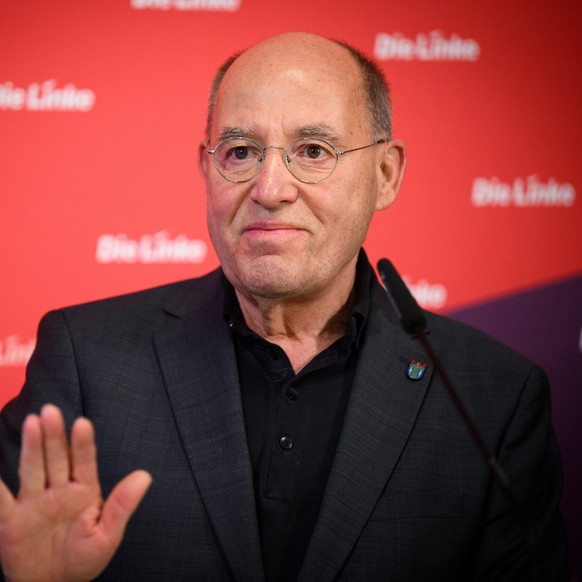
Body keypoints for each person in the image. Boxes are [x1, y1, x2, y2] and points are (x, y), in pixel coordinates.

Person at [0, 32, 568, 581]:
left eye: (313, 150)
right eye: (241, 151)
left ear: (386, 173)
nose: (270, 187)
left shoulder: (492, 398)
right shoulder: (86, 359)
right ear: (207, 169)